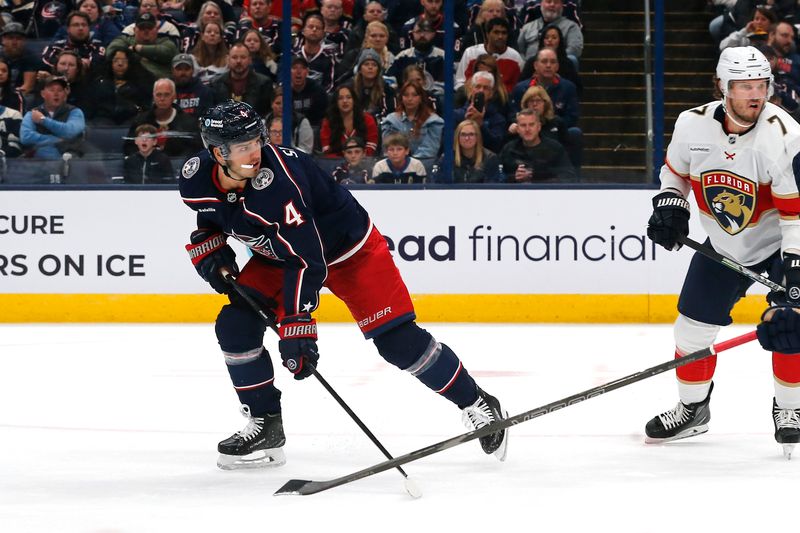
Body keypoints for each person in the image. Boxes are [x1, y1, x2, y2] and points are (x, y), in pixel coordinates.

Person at [178, 100, 509, 469]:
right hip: (282, 255)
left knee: (397, 342)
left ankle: (476, 401)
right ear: (216, 152)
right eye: (242, 147)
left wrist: (297, 324)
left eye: (256, 140)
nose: (254, 152)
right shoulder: (194, 178)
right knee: (235, 326)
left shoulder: (278, 185)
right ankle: (265, 423)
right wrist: (211, 248)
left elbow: (308, 261)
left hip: (349, 250)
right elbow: (210, 215)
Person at [643, 46, 800, 455]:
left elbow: (794, 215)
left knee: (788, 327)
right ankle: (693, 410)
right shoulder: (691, 125)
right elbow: (673, 174)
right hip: (723, 248)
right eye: (744, 86)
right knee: (690, 329)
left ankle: (790, 409)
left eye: (761, 85)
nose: (755, 94)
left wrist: (796, 273)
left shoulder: (783, 135)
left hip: (780, 247)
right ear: (722, 87)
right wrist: (670, 203)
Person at [498, 108, 575, 182]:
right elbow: (497, 176)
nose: (527, 129)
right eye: (523, 125)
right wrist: (513, 178)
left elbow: (568, 177)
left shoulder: (555, 148)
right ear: (517, 129)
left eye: (531, 125)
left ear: (539, 127)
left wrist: (535, 176)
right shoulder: (508, 149)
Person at [21, 75, 86, 159]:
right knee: (45, 151)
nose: (56, 94)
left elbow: (70, 132)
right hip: (37, 159)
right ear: (43, 94)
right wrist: (56, 140)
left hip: (70, 156)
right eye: (51, 90)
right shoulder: (32, 113)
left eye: (60, 90)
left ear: (65, 93)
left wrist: (43, 120)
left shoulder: (75, 112)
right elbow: (26, 137)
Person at [381, 79, 443, 159]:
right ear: (401, 98)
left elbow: (429, 150)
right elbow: (387, 149)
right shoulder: (390, 120)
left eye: (414, 95)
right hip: (395, 163)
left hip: (424, 164)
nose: (410, 99)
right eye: (406, 95)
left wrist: (410, 164)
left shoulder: (433, 121)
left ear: (421, 98)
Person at [209, 42, 272, 115]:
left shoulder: (264, 84)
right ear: (228, 59)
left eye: (243, 57)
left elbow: (266, 114)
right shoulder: (215, 84)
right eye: (234, 57)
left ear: (250, 60)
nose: (238, 61)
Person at [320, 84, 378, 157]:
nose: (345, 101)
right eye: (340, 98)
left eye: (348, 97)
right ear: (336, 102)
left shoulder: (367, 119)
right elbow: (326, 149)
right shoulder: (328, 121)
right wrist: (346, 160)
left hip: (363, 162)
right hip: (336, 163)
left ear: (354, 100)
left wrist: (356, 159)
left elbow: (371, 145)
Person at [450, 119, 502, 183]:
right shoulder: (448, 158)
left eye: (471, 134)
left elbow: (492, 187)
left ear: (478, 137)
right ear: (457, 137)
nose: (467, 138)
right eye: (463, 134)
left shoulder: (490, 158)